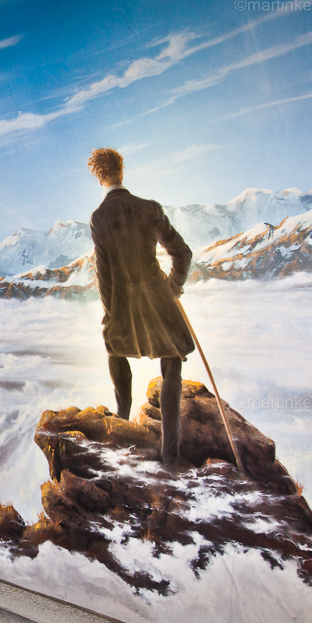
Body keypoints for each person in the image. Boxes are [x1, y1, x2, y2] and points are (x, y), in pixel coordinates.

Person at [87, 147, 194, 466]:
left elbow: (103, 273)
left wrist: (111, 314)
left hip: (124, 307)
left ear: (98, 176)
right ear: (122, 170)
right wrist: (172, 287)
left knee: (114, 350)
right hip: (159, 301)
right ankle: (170, 455)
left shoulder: (99, 217)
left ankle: (121, 425)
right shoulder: (149, 208)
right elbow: (182, 254)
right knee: (172, 361)